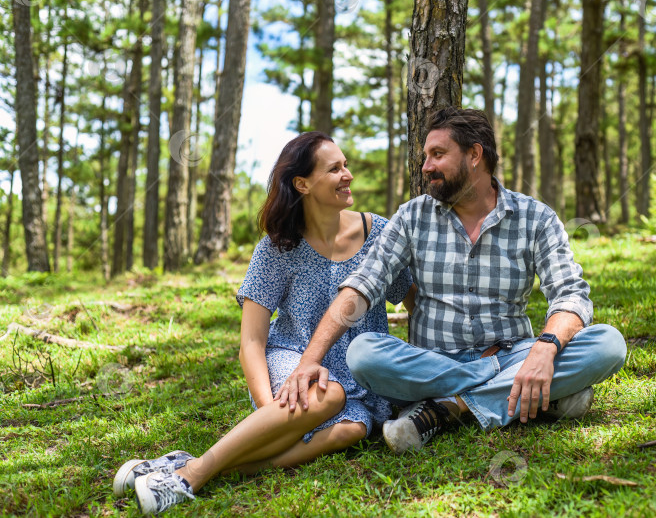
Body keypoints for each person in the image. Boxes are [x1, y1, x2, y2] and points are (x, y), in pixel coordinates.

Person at [277, 108, 627, 455]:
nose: (426, 166)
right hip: (432, 364)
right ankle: (531, 396)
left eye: (438, 154)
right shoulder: (412, 216)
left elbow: (570, 295)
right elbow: (362, 287)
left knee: (608, 344)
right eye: (425, 156)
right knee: (364, 354)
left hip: (513, 355)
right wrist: (310, 359)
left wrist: (545, 349)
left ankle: (448, 407)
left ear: (475, 155)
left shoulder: (536, 218)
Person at [112, 132, 413, 514]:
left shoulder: (378, 234)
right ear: (302, 183)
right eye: (334, 168)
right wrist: (270, 412)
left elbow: (413, 297)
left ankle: (183, 467)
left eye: (346, 165)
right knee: (330, 395)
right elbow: (251, 342)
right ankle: (191, 478)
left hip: (362, 371)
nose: (347, 174)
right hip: (293, 357)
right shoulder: (278, 247)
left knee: (352, 430)